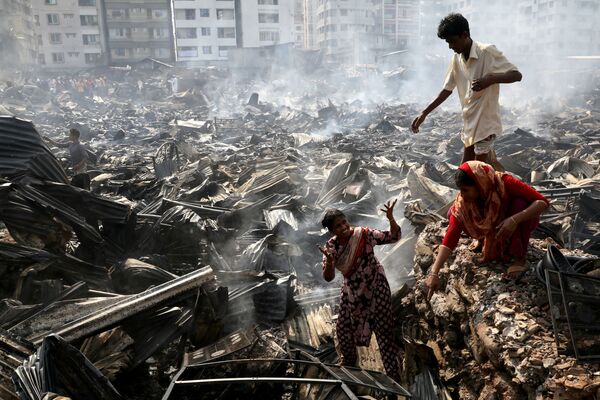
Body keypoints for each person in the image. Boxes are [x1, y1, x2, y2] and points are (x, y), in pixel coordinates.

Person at [411, 13, 522, 170]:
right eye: (448, 43)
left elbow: (516, 75)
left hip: (486, 123)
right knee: (466, 170)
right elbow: (447, 89)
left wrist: (490, 79)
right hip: (470, 122)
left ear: (465, 35)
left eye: (452, 41)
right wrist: (424, 113)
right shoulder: (457, 59)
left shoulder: (487, 52)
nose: (450, 46)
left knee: (476, 174)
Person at [425, 161, 549, 299]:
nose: (462, 195)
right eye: (460, 190)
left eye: (466, 190)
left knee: (519, 204)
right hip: (494, 225)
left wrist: (514, 219)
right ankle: (483, 238)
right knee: (453, 213)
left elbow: (542, 202)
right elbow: (451, 237)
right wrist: (434, 273)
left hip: (514, 221)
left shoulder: (504, 182)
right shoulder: (464, 202)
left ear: (479, 184)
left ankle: (519, 257)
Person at [318, 201, 401, 382]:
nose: (344, 227)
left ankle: (393, 377)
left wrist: (391, 219)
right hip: (353, 291)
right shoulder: (331, 248)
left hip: (376, 287)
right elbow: (328, 277)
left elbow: (393, 237)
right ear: (332, 231)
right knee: (343, 328)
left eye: (344, 222)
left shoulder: (363, 234)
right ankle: (349, 363)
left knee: (384, 331)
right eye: (338, 226)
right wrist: (330, 264)